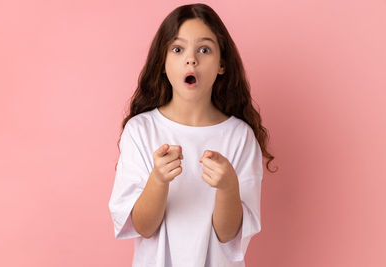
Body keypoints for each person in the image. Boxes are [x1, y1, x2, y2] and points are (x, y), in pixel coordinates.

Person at [108, 3, 277, 267]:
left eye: (204, 49)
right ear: (162, 63)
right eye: (178, 49)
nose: (191, 59)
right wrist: (158, 181)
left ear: (222, 64)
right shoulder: (141, 131)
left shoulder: (239, 137)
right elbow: (143, 226)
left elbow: (228, 234)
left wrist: (228, 187)